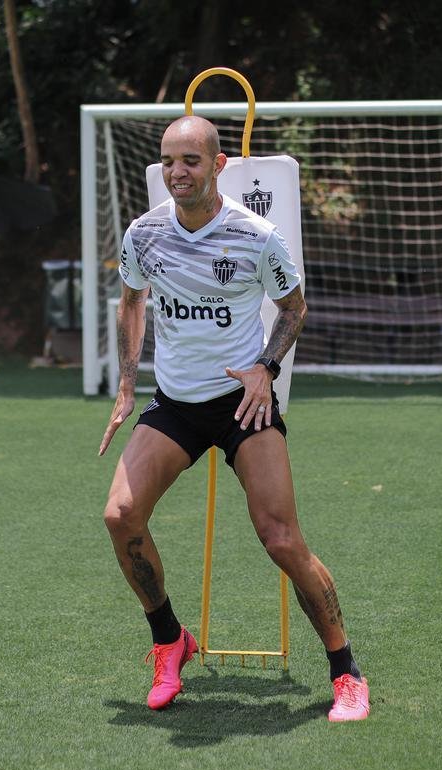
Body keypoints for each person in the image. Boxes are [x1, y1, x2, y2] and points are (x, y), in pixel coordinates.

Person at [98, 115, 369, 723]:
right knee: (120, 515)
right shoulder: (144, 235)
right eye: (169, 161)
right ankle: (169, 639)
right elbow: (131, 303)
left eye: (191, 161)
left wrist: (266, 367)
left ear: (218, 166)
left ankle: (346, 670)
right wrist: (125, 387)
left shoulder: (255, 235)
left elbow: (294, 308)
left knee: (281, 538)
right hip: (176, 403)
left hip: (245, 404)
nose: (177, 172)